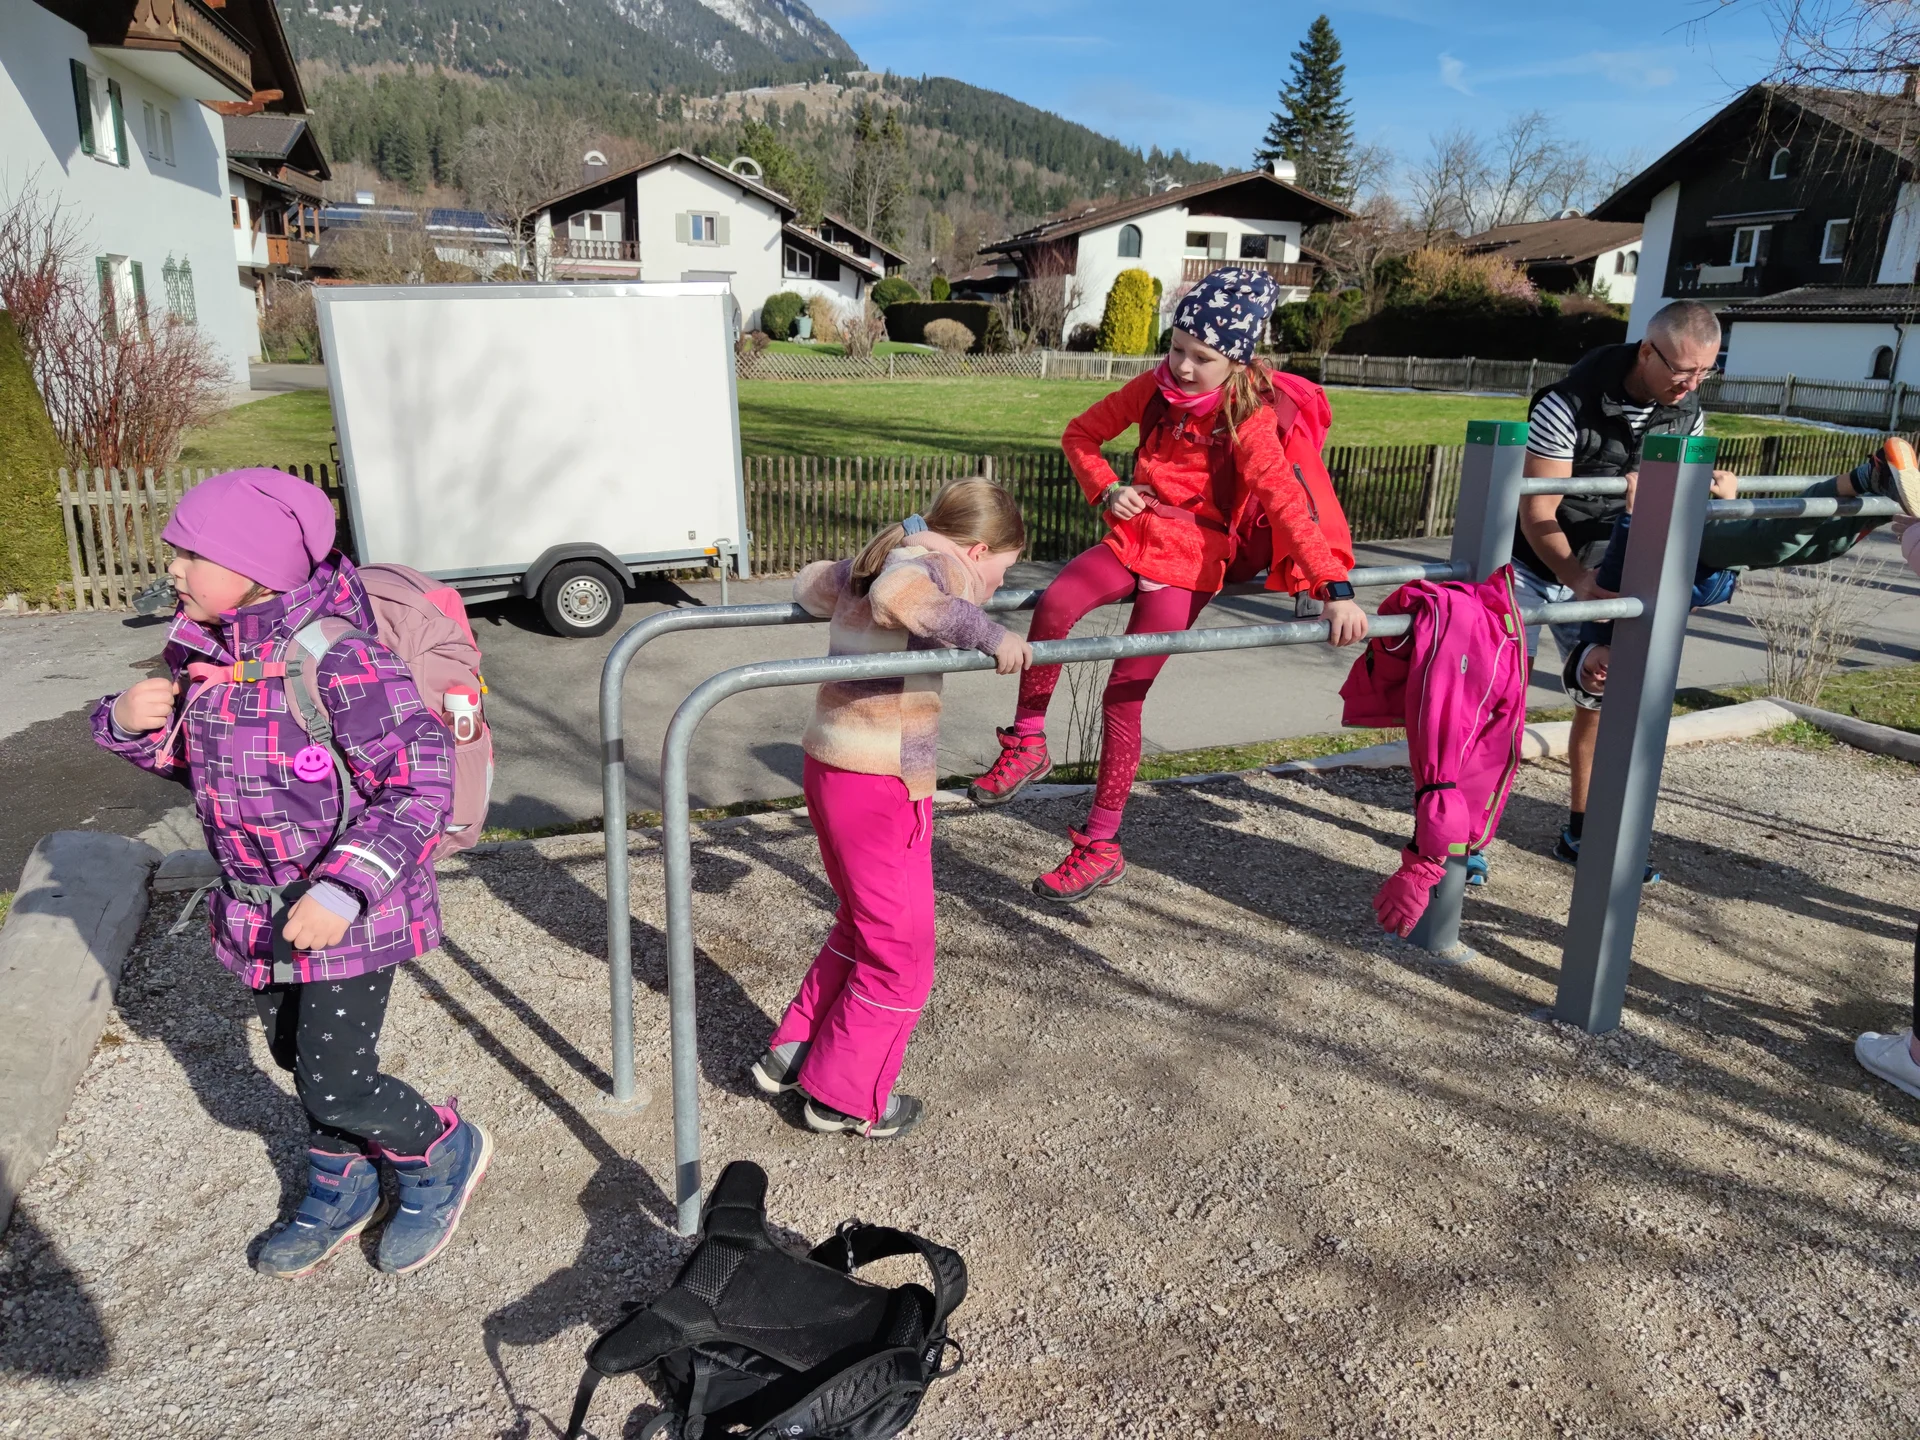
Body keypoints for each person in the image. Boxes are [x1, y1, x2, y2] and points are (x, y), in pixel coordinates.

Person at [92, 469, 488, 1279]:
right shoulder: (206, 654)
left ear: (257, 569)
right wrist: (127, 726)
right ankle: (344, 1179)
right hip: (260, 907)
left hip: (350, 913)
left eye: (191, 555)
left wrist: (343, 889)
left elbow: (421, 781)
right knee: (292, 1054)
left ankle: (441, 1151)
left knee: (337, 1081)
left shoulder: (338, 659)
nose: (172, 568)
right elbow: (206, 768)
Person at [966, 266, 1366, 901]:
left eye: (1201, 358)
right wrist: (1107, 488)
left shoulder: (1248, 419)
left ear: (1236, 361)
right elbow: (1080, 434)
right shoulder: (1152, 389)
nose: (1182, 366)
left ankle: (1100, 844)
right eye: (1177, 348)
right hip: (1134, 536)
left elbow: (1287, 501)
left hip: (1193, 559)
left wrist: (1333, 586)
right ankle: (1029, 739)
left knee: (1123, 696)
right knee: (1057, 603)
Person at [1507, 300, 1918, 881]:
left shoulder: (1688, 409)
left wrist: (1713, 497)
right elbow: (1538, 510)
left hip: (1621, 557)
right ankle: (1463, 834)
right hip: (1542, 563)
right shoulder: (1565, 402)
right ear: (1647, 352)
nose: (1692, 384)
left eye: (1706, 371)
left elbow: (1679, 502)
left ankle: (1585, 831)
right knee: (1498, 699)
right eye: (1683, 371)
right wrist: (1579, 582)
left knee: (1607, 701)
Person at [748, 478, 1031, 1140]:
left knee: (862, 925)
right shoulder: (931, 568)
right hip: (880, 779)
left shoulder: (883, 555)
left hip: (830, 766)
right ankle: (843, 1098)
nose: (997, 583)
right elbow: (900, 597)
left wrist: (859, 570)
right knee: (903, 954)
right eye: (1002, 569)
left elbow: (810, 584)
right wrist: (990, 632)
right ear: (978, 549)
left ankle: (794, 1053)